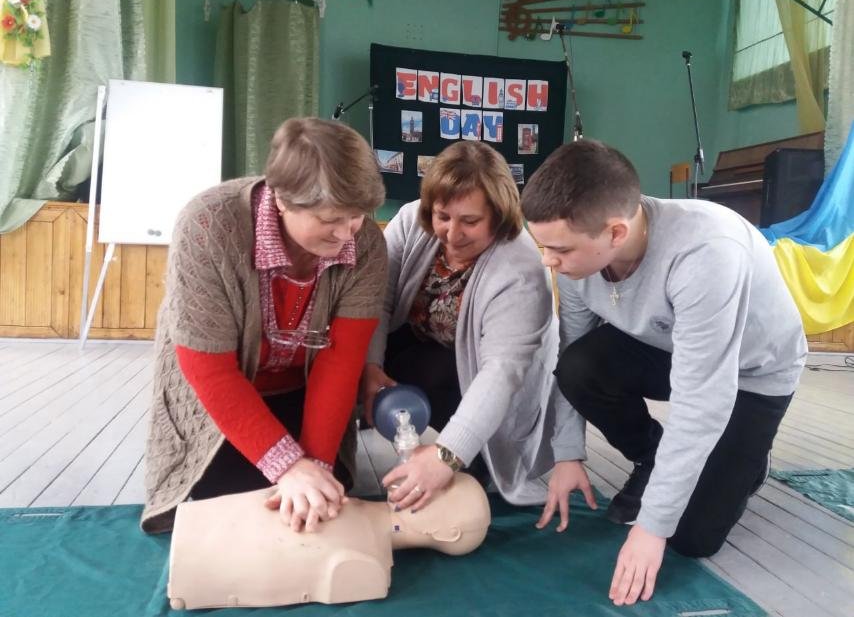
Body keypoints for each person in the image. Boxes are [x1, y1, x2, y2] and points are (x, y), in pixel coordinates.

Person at [521, 139, 806, 606]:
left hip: (750, 372)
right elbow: (570, 353)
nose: (548, 261)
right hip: (665, 344)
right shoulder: (577, 264)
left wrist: (652, 528)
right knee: (580, 366)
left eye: (560, 250)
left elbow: (702, 400)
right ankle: (652, 457)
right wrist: (567, 454)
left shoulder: (706, 252)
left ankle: (749, 460)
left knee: (691, 537)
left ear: (615, 233)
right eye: (543, 247)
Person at [141, 118, 388, 535]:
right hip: (220, 394)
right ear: (283, 200)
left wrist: (315, 469)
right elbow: (209, 370)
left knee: (318, 503)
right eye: (331, 218)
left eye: (358, 216)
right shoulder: (207, 226)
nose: (348, 234)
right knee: (234, 505)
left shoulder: (365, 243)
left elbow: (340, 362)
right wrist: (289, 466)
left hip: (302, 388)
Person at [360, 140, 590, 514]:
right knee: (362, 346)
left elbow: (501, 371)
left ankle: (476, 451)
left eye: (470, 221)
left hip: (488, 378)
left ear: (498, 216)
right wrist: (370, 367)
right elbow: (378, 301)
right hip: (421, 345)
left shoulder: (520, 269)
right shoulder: (409, 221)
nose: (452, 234)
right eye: (443, 217)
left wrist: (448, 453)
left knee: (464, 457)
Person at [167, 472, 490, 609]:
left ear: (448, 533)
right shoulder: (358, 507)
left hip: (198, 569)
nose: (427, 481)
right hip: (202, 526)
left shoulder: (369, 567)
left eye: (443, 487)